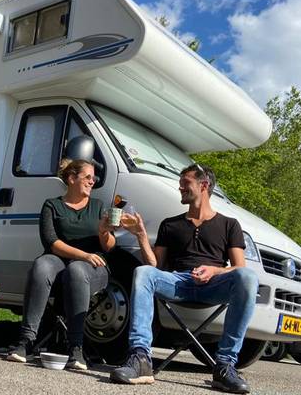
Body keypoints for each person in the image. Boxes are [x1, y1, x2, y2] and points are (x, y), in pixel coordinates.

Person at [109, 164, 258, 394]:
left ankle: (225, 366)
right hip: (177, 282)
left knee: (248, 277)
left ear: (204, 185)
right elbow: (154, 266)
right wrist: (140, 234)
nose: (180, 187)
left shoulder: (229, 225)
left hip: (213, 285)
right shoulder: (170, 224)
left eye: (185, 183)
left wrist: (214, 270)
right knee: (143, 272)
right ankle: (140, 359)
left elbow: (239, 268)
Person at [6, 159, 116, 370]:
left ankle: (76, 347)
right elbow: (51, 242)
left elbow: (110, 247)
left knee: (76, 270)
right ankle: (26, 341)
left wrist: (104, 231)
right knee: (42, 265)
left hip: (93, 269)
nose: (92, 182)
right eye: (88, 177)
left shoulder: (98, 207)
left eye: (94, 178)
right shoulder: (52, 205)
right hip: (61, 263)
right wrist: (83, 254)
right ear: (72, 178)